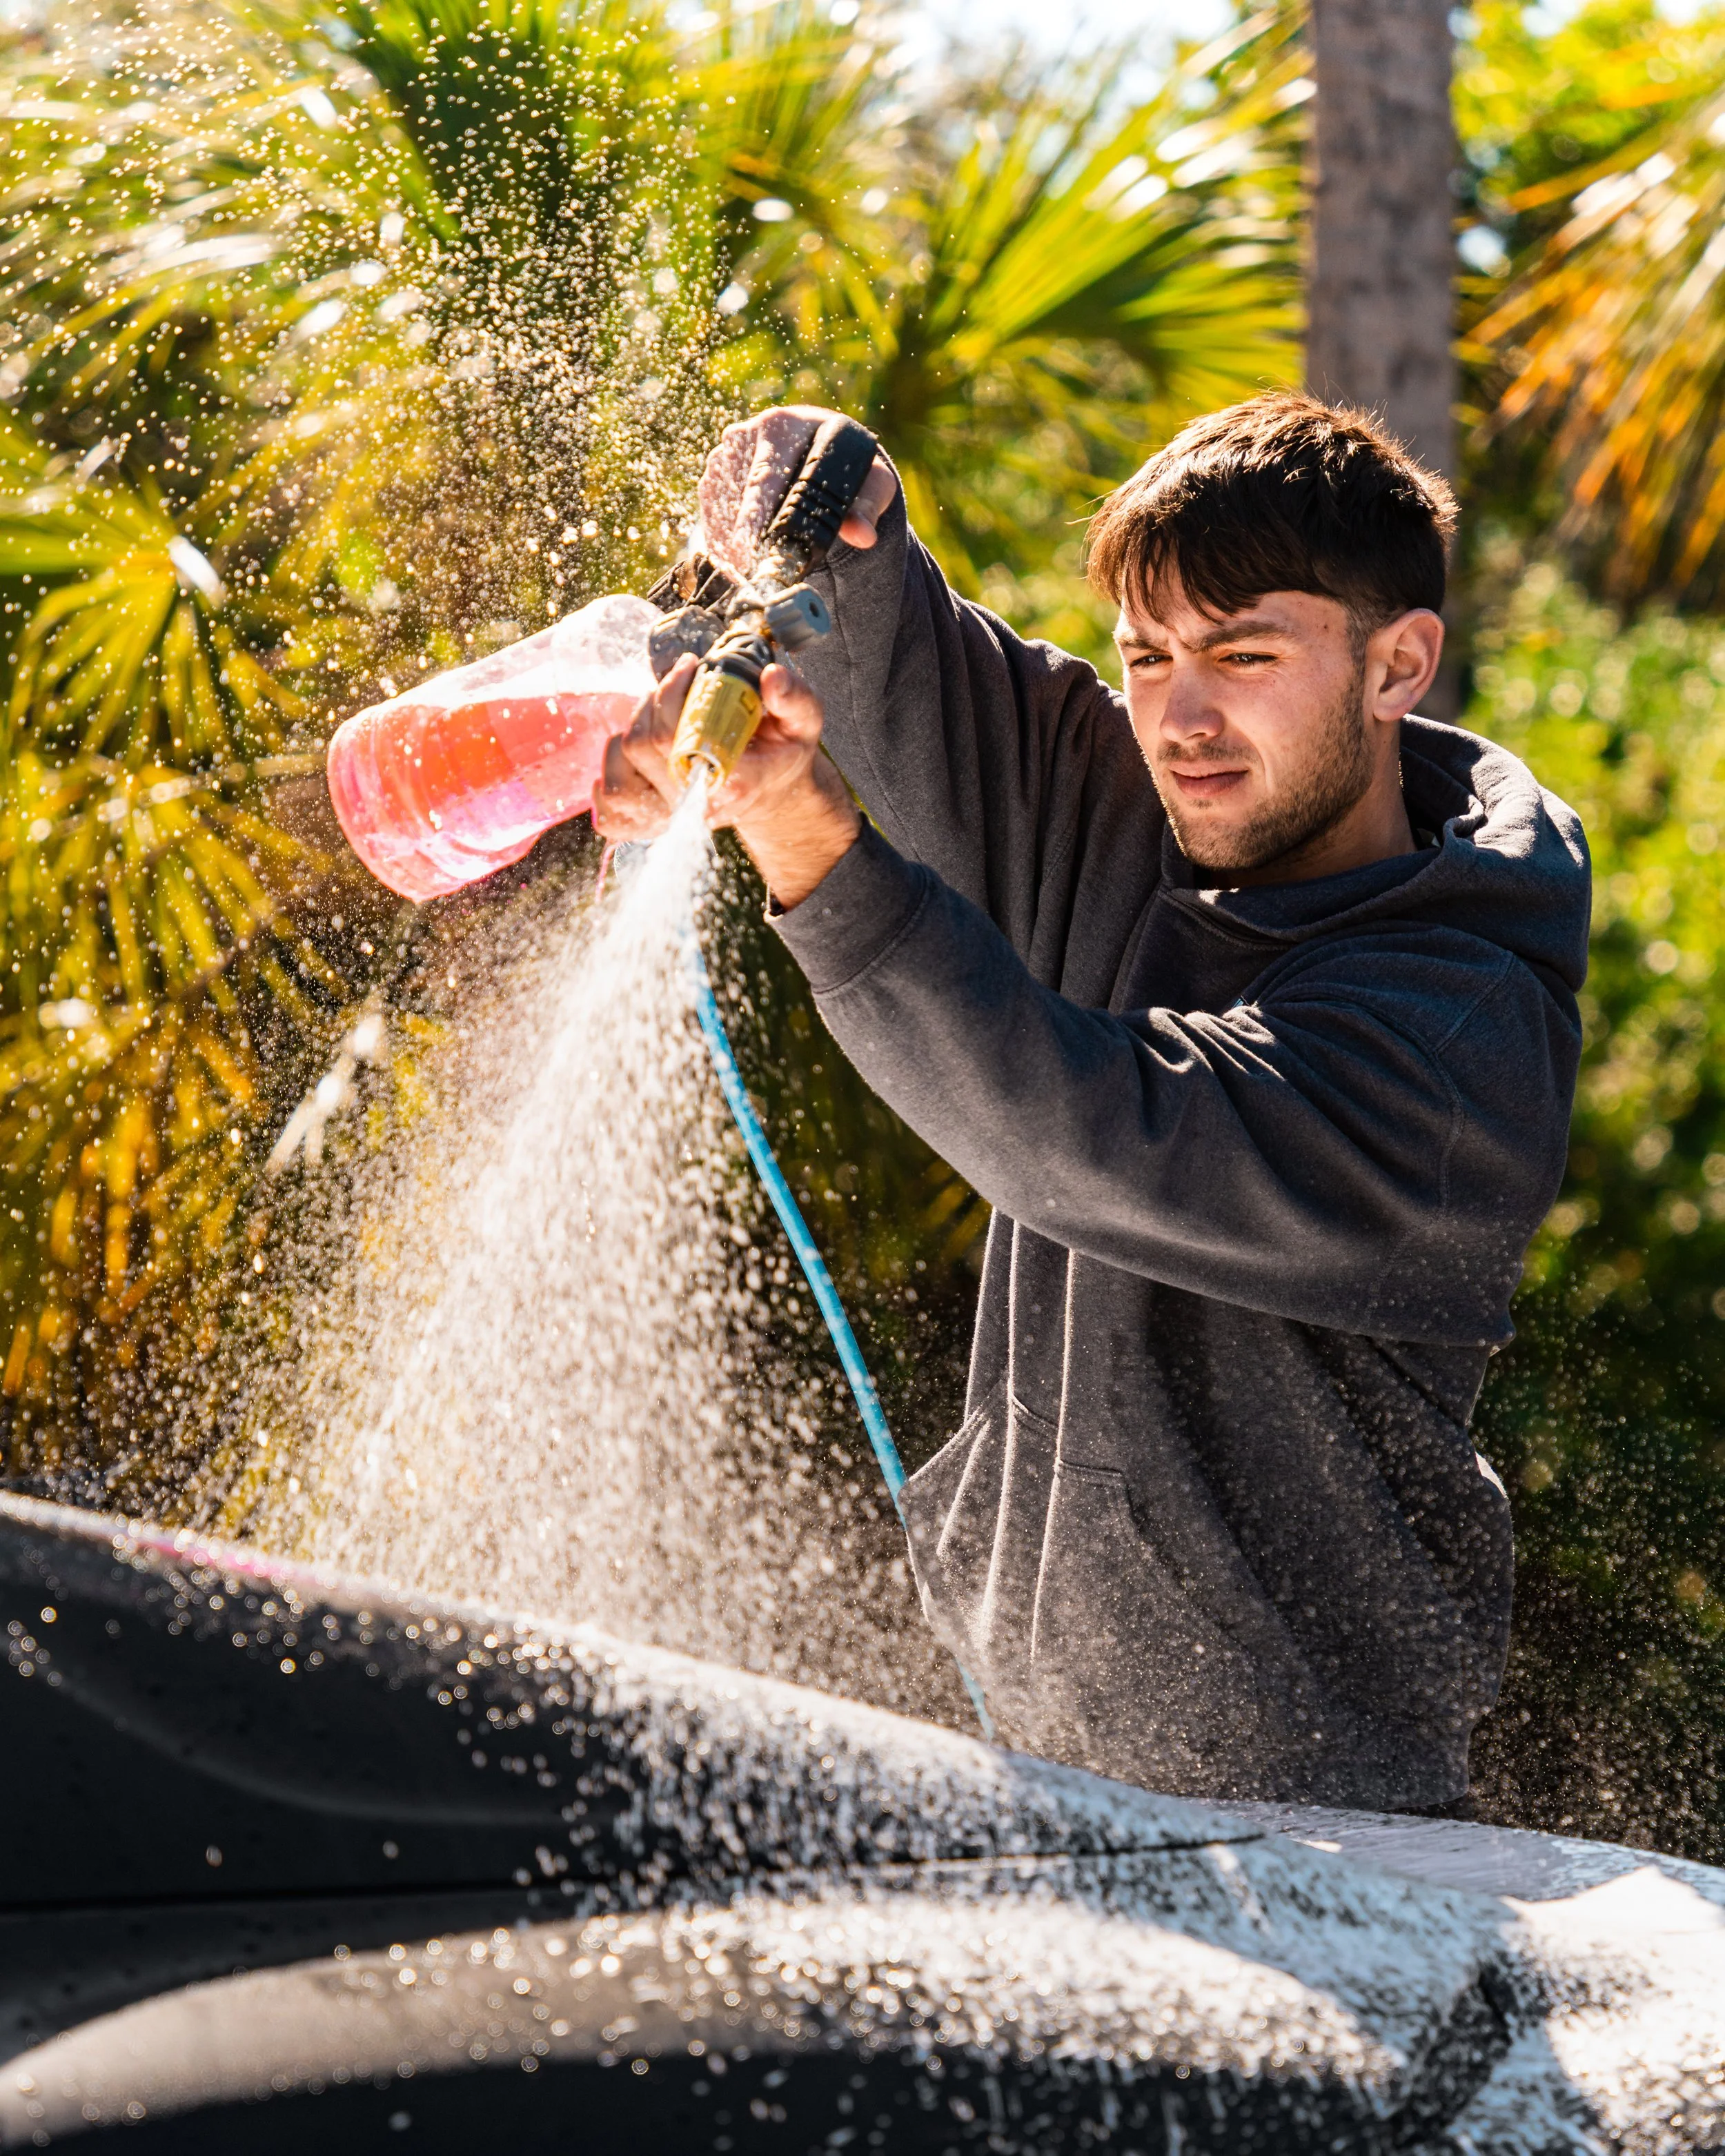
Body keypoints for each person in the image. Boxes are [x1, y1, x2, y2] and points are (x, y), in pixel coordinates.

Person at [593, 392, 1590, 1812]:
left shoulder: (1453, 1030)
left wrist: (805, 834)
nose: (1179, 716)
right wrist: (825, 493)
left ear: (1397, 664)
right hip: (1044, 1778)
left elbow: (1094, 1133)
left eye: (1242, 656)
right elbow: (915, 664)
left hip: (1333, 1825)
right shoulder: (1146, 807)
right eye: (1146, 656)